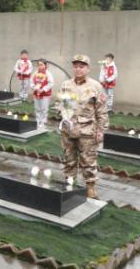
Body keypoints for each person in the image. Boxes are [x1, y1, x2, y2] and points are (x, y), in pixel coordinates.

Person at [56, 54, 108, 199]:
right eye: (76, 66)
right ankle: (69, 183)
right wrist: (61, 110)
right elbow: (59, 104)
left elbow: (102, 110)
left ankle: (90, 187)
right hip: (68, 129)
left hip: (87, 130)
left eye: (81, 66)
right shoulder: (66, 85)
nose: (78, 69)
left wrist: (101, 130)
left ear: (88, 68)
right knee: (69, 158)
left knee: (88, 159)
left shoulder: (95, 86)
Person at [30, 59, 54, 130]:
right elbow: (31, 82)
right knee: (37, 108)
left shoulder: (48, 73)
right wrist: (34, 87)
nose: (39, 66)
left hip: (45, 94)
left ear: (45, 65)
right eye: (38, 65)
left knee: (44, 109)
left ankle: (43, 123)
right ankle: (38, 122)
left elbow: (51, 83)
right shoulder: (35, 73)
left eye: (41, 65)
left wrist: (43, 89)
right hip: (36, 93)